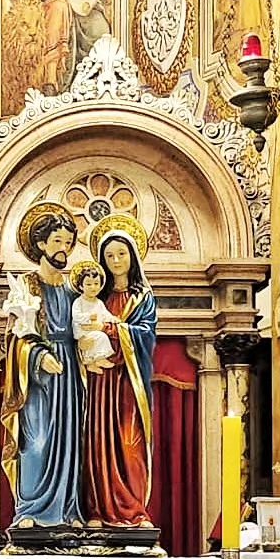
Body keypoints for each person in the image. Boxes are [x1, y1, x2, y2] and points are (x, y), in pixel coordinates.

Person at [0, 202, 85, 528]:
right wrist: (38, 357)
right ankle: (31, 511)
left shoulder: (73, 289)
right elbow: (15, 337)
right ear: (40, 244)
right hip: (36, 379)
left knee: (69, 441)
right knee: (36, 442)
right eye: (57, 242)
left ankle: (67, 510)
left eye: (67, 243)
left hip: (70, 374)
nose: (63, 249)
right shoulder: (27, 286)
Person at [82, 214, 158, 527]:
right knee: (98, 441)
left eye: (121, 254)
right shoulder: (93, 298)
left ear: (132, 257)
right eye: (109, 256)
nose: (115, 260)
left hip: (130, 381)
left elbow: (146, 334)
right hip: (101, 382)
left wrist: (112, 329)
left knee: (129, 443)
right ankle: (100, 511)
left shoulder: (143, 297)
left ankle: (134, 510)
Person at [70, 260, 119, 374]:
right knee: (99, 337)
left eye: (96, 284)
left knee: (100, 338)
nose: (93, 287)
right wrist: (88, 317)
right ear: (81, 286)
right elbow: (76, 316)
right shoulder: (79, 302)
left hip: (94, 329)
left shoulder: (99, 302)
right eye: (88, 284)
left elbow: (105, 315)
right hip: (82, 330)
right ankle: (93, 361)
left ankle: (95, 361)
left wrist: (113, 319)